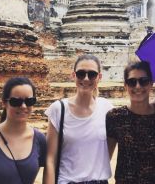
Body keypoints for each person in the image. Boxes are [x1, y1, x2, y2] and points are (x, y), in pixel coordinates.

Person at [43, 54, 112, 184]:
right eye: (81, 74)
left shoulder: (107, 108)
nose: (86, 79)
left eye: (92, 74)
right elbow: (50, 159)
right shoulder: (58, 109)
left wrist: (152, 105)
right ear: (73, 75)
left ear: (99, 77)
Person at [106, 60, 155, 184]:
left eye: (143, 81)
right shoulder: (115, 117)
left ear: (151, 84)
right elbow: (106, 159)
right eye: (132, 82)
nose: (138, 86)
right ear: (125, 85)